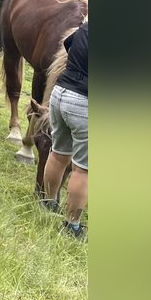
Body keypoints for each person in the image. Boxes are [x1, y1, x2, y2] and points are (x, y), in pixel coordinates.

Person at [43, 20, 88, 237]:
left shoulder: (88, 27)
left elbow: (68, 43)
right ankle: (72, 226)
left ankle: (48, 204)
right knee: (83, 169)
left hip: (59, 94)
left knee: (58, 154)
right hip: (84, 104)